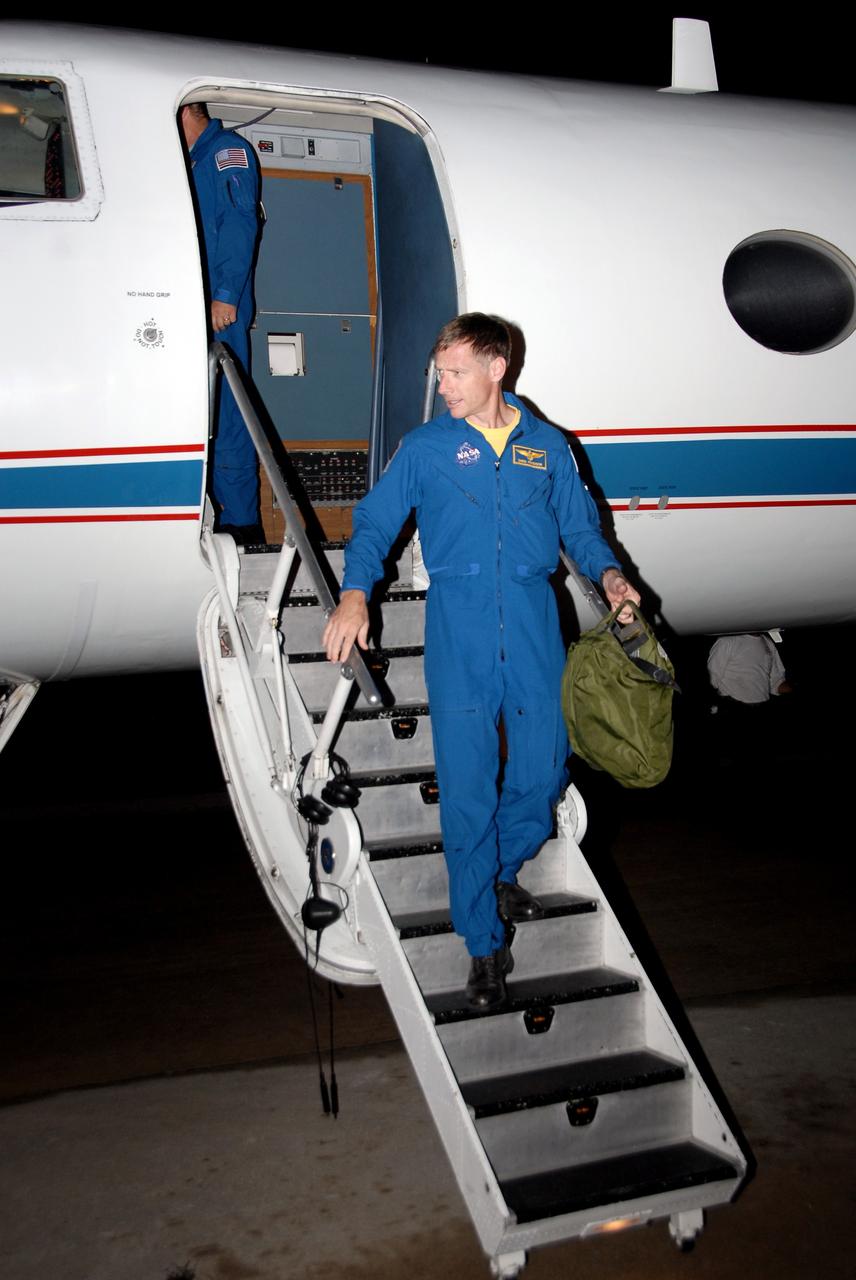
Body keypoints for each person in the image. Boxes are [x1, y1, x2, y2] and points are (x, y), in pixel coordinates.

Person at [323, 314, 639, 1008]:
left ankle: (495, 870)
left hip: (532, 620)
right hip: (459, 628)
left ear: (498, 368)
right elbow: (375, 523)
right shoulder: (427, 448)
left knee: (544, 769)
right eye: (440, 373)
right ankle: (483, 946)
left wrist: (610, 577)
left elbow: (582, 528)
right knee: (468, 791)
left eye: (456, 373)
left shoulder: (548, 446)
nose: (444, 388)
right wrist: (354, 596)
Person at [180, 103, 262, 543]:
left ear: (188, 111)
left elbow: (238, 223)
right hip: (196, 303)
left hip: (218, 307)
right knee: (204, 409)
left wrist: (225, 295)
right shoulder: (192, 162)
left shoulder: (227, 151)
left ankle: (241, 522)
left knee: (229, 409)